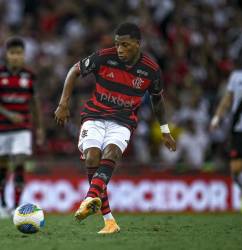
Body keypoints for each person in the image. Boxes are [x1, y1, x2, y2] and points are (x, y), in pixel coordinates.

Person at [55, 22, 176, 234]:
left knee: (112, 153)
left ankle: (90, 199)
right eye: (118, 44)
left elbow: (157, 100)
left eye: (125, 45)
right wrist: (63, 103)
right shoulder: (104, 56)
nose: (120, 49)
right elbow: (74, 70)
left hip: (122, 121)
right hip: (94, 116)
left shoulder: (151, 70)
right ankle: (109, 220)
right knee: (92, 157)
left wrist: (165, 130)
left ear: (138, 44)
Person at [0, 37, 44, 218]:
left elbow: (35, 103)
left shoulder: (29, 75)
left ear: (24, 55)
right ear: (7, 55)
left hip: (23, 128)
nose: (16, 57)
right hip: (2, 128)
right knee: (2, 166)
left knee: (19, 162)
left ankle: (17, 206)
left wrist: (39, 128)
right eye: (12, 53)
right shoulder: (0, 74)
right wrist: (9, 114)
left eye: (19, 53)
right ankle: (2, 204)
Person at [210, 45, 242, 217]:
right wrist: (217, 117)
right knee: (235, 168)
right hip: (240, 130)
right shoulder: (237, 77)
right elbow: (227, 100)